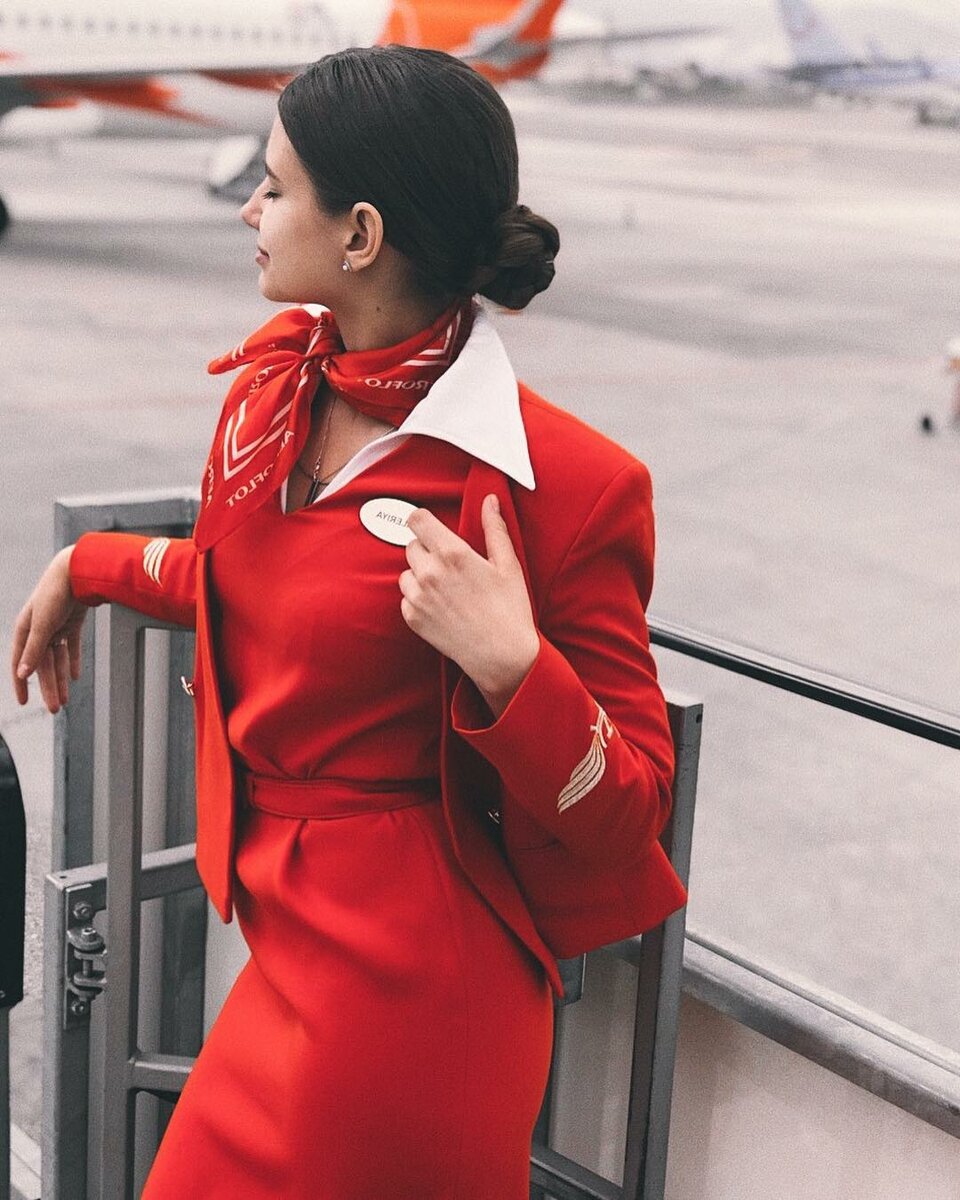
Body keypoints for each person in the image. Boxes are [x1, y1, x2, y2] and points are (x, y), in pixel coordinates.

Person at [10, 46, 685, 1200]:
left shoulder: (566, 484)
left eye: (274, 188)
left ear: (361, 234)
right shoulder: (279, 399)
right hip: (285, 956)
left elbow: (631, 814)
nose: (250, 210)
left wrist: (514, 668)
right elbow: (260, 589)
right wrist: (93, 564)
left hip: (418, 1004)